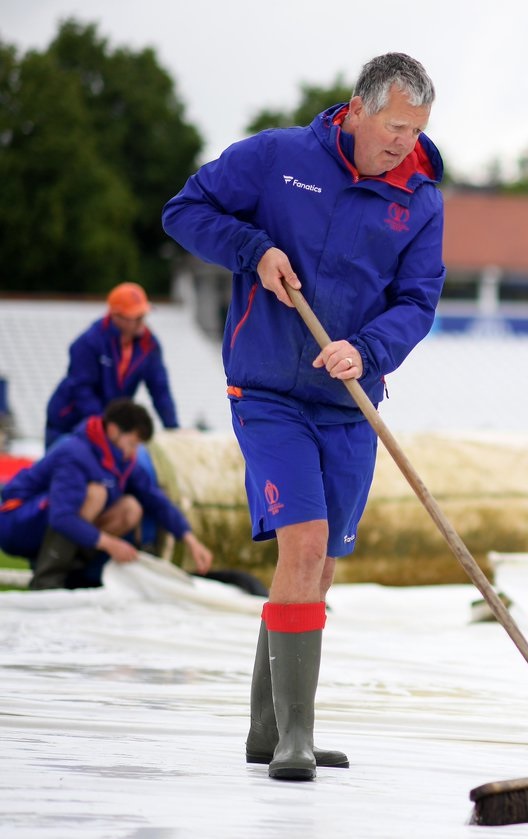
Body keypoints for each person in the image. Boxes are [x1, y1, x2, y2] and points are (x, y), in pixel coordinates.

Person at [161, 52, 445, 782]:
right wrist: (253, 250)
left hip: (349, 400)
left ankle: (270, 729)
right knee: (304, 539)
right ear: (356, 107)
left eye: (415, 131)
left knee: (317, 568)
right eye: (393, 127)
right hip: (268, 389)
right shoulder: (278, 156)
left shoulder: (420, 200)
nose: (402, 143)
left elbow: (417, 302)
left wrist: (368, 349)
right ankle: (298, 736)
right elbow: (185, 211)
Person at [0, 399, 213, 589]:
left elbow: (154, 498)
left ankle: (77, 577)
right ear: (113, 430)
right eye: (131, 443)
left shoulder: (122, 460)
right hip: (17, 522)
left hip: (48, 521)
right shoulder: (74, 452)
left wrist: (189, 539)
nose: (133, 452)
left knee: (131, 508)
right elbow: (61, 516)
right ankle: (47, 581)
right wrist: (111, 544)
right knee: (96, 493)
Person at [45, 282, 180, 447]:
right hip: (69, 423)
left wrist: (172, 429)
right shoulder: (89, 343)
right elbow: (81, 389)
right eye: (135, 318)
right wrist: (106, 426)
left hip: (109, 427)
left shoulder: (148, 345)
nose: (141, 322)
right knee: (66, 468)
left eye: (143, 316)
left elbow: (160, 389)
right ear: (116, 316)